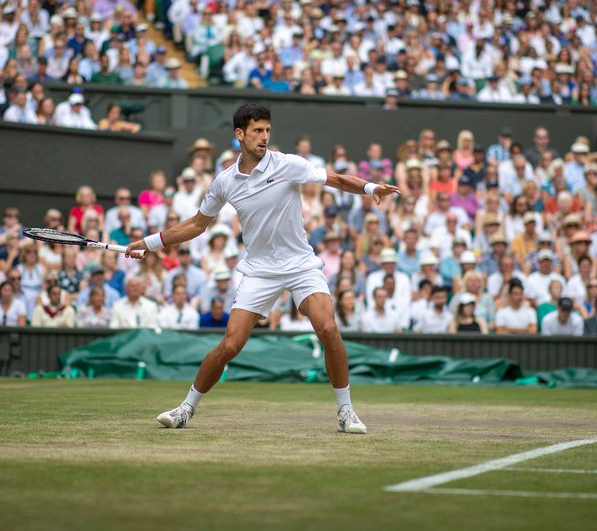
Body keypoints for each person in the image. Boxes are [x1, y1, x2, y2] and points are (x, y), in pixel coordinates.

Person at [125, 104, 399, 433]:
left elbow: (336, 179)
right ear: (239, 134)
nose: (264, 137)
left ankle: (346, 412)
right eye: (257, 130)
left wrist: (370, 188)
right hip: (259, 270)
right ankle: (185, 409)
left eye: (267, 130)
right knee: (230, 345)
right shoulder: (225, 181)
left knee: (328, 329)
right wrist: (150, 242)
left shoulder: (288, 165)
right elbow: (198, 224)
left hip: (300, 264)